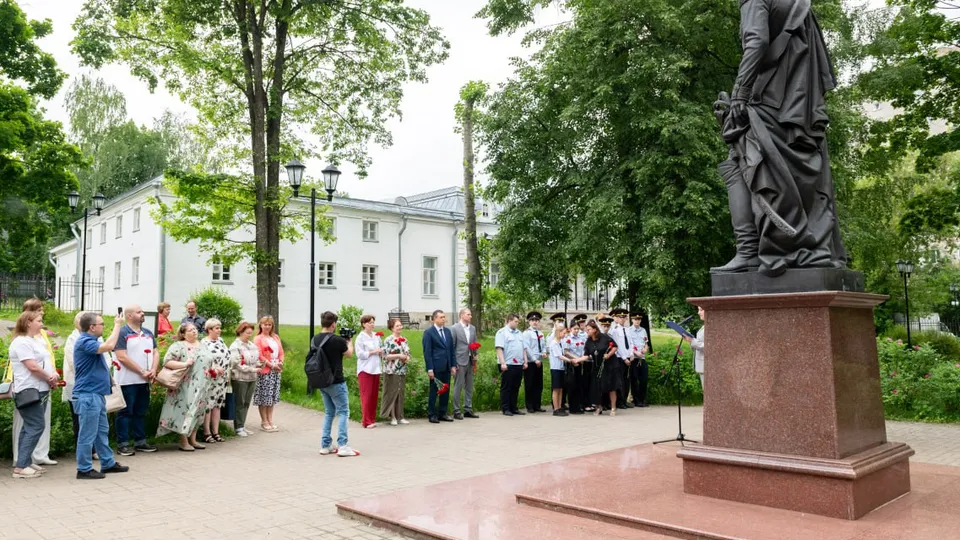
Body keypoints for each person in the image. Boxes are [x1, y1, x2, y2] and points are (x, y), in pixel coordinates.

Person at [73, 311, 129, 479]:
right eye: (102, 324)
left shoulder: (91, 340)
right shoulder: (84, 341)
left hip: (96, 394)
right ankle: (83, 469)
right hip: (87, 394)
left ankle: (107, 462)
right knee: (87, 434)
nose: (104, 326)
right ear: (92, 327)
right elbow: (109, 346)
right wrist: (118, 325)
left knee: (101, 431)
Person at [9, 311, 60, 478]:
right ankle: (20, 468)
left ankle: (25, 460)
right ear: (28, 323)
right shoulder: (21, 342)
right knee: (36, 425)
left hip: (40, 388)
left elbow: (44, 362)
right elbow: (32, 366)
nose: (41, 323)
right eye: (39, 320)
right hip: (28, 389)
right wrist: (49, 377)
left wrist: (53, 376)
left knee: (29, 427)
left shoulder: (34, 341)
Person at [308, 311, 359, 457]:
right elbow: (349, 354)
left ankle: (325, 445)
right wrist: (349, 342)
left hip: (322, 381)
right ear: (333, 324)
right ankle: (343, 445)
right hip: (336, 380)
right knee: (343, 412)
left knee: (329, 413)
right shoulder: (337, 340)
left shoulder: (315, 339)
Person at [157, 322, 214, 451]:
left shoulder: (202, 345)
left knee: (197, 412)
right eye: (190, 330)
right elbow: (167, 362)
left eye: (195, 329)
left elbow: (208, 361)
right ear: (183, 333)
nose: (194, 331)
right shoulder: (178, 346)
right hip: (185, 385)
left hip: (201, 385)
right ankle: (183, 441)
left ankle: (193, 439)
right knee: (184, 410)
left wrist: (215, 369)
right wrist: (184, 364)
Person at [113, 304, 159, 456]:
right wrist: (141, 371)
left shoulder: (147, 333)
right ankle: (123, 443)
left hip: (144, 380)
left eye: (142, 311)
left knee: (140, 411)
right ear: (129, 316)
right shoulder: (122, 333)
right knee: (125, 412)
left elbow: (155, 352)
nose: (143, 313)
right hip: (127, 380)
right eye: (139, 312)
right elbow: (121, 356)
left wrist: (152, 369)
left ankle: (140, 441)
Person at [422, 309, 457, 423]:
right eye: (441, 317)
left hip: (446, 366)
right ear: (434, 319)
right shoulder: (429, 332)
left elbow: (451, 349)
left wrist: (453, 365)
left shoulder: (447, 331)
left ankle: (443, 413)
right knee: (434, 391)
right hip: (436, 367)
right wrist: (430, 368)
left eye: (444, 317)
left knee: (445, 390)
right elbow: (427, 352)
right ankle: (432, 414)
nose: (444, 319)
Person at [229, 322, 261, 437]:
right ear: (241, 332)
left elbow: (256, 359)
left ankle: (242, 424)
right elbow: (236, 364)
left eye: (250, 333)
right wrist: (252, 369)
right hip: (240, 378)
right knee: (239, 402)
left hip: (252, 378)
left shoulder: (252, 345)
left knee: (247, 402)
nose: (249, 335)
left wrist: (259, 365)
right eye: (247, 333)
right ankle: (238, 427)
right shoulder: (235, 346)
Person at [253, 315, 284, 432]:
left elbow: (281, 352)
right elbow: (259, 355)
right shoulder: (258, 338)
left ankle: (270, 420)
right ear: (261, 325)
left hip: (276, 369)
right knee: (264, 396)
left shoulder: (275, 337)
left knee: (272, 396)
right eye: (265, 324)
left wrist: (280, 362)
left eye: (269, 324)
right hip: (266, 369)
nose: (267, 326)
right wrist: (271, 365)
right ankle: (264, 421)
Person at [584, 318, 620, 416]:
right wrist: (577, 360)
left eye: (589, 330)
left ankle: (613, 407)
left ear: (595, 330)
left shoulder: (605, 337)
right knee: (597, 388)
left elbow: (615, 347)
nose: (587, 331)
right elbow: (586, 355)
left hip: (610, 366)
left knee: (611, 387)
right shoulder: (588, 341)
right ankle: (598, 407)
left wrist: (609, 354)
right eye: (586, 330)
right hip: (597, 367)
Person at [201, 319, 230, 443]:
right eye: (217, 328)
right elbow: (204, 360)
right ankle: (206, 432)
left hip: (222, 380)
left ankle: (216, 431)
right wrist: (215, 368)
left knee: (217, 405)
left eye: (220, 328)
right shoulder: (204, 343)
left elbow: (227, 356)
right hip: (211, 379)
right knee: (208, 405)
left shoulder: (221, 340)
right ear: (209, 329)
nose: (219, 330)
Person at [495, 314, 527, 416]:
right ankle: (506, 408)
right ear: (509, 321)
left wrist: (525, 361)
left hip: (518, 363)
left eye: (518, 322)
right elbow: (499, 348)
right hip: (507, 364)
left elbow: (524, 348)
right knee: (507, 387)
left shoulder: (519, 333)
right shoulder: (502, 332)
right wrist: (503, 363)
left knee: (515, 386)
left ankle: (514, 407)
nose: (517, 323)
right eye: (516, 321)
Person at [380, 318, 410, 426]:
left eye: (400, 325)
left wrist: (406, 358)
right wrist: (398, 356)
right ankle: (392, 417)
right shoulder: (388, 340)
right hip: (391, 370)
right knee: (392, 393)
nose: (400, 327)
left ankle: (400, 416)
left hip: (401, 370)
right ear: (392, 328)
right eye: (397, 326)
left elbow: (408, 353)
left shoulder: (404, 340)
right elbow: (385, 356)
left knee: (400, 393)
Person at [450, 307, 479, 420]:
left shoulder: (472, 328)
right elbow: (452, 346)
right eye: (468, 314)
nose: (470, 316)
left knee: (469, 386)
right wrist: (453, 362)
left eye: (471, 314)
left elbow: (474, 343)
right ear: (462, 315)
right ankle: (456, 410)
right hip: (459, 361)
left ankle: (468, 409)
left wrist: (475, 356)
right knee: (458, 385)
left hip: (470, 360)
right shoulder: (454, 328)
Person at [354, 314, 383, 429]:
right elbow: (360, 354)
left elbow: (380, 348)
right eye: (369, 323)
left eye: (373, 322)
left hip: (376, 368)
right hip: (365, 369)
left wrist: (381, 352)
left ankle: (372, 418)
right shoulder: (360, 337)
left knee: (374, 396)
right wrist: (373, 352)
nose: (372, 325)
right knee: (366, 395)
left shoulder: (376, 336)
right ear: (363, 324)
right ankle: (366, 420)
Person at [607, 308, 634, 409]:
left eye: (624, 317)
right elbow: (617, 346)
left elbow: (630, 343)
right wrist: (624, 358)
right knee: (620, 381)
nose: (622, 319)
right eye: (620, 317)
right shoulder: (615, 331)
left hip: (628, 357)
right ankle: (619, 401)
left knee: (627, 380)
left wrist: (631, 354)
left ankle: (624, 400)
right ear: (616, 318)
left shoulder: (627, 330)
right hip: (620, 358)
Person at [522, 311, 547, 414]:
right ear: (529, 322)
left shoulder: (540, 333)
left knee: (538, 384)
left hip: (539, 361)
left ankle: (537, 405)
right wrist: (534, 359)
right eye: (532, 320)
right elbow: (527, 348)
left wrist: (544, 352)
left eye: (536, 320)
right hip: (531, 362)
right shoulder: (526, 333)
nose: (535, 322)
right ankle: (530, 406)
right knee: (530, 384)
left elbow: (543, 345)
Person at [626, 313, 651, 407]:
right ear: (632, 320)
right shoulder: (629, 331)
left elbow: (646, 343)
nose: (637, 321)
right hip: (634, 358)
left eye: (639, 319)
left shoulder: (643, 330)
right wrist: (636, 353)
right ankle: (636, 400)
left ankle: (642, 399)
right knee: (634, 379)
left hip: (642, 357)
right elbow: (628, 345)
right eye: (635, 319)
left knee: (644, 379)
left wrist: (645, 349)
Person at [547, 317, 569, 417]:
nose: (564, 335)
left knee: (561, 388)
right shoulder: (554, 343)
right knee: (556, 389)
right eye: (563, 333)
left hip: (561, 368)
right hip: (555, 368)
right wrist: (571, 360)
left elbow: (564, 353)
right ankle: (555, 408)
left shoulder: (560, 343)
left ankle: (560, 407)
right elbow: (560, 356)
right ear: (558, 332)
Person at [684, 306, 706, 388]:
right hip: (702, 364)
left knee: (708, 393)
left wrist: (692, 341)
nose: (698, 313)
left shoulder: (711, 326)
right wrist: (690, 341)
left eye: (701, 310)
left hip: (707, 365)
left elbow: (708, 346)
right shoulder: (704, 326)